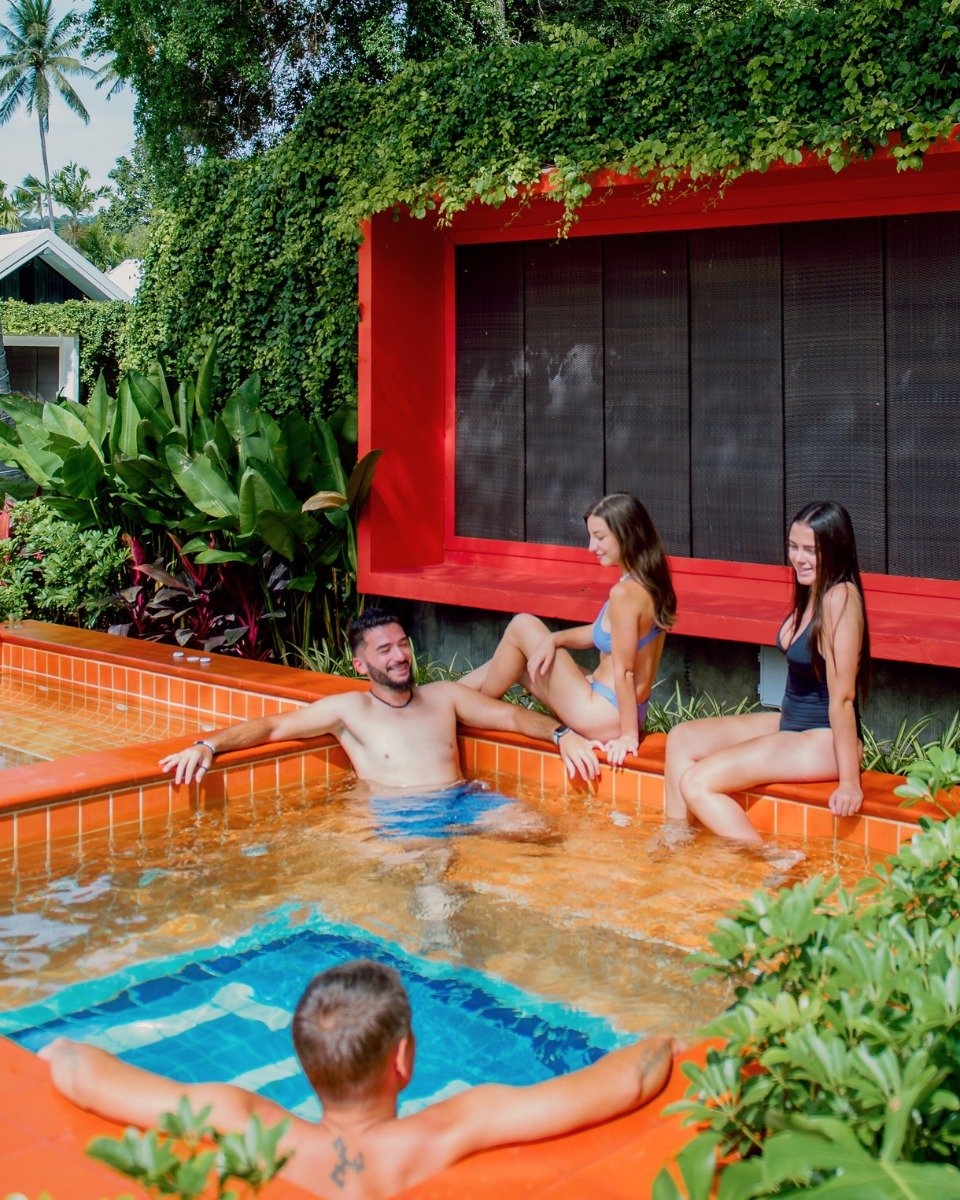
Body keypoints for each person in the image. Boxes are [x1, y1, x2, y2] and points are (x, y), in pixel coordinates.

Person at [42, 959, 677, 1199]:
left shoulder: (247, 1122)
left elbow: (84, 1075)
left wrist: (62, 1048)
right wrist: (663, 1041)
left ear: (304, 1062)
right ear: (404, 1062)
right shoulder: (454, 1126)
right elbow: (627, 1083)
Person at [159, 609, 602, 790]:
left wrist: (562, 734)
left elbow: (513, 719)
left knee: (542, 837)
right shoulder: (349, 711)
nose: (399, 656)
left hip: (464, 803)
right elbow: (273, 727)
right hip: (403, 822)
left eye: (402, 644)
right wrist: (208, 745)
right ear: (359, 664)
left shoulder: (444, 697)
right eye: (385, 650)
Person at [663, 500, 870, 845]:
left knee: (697, 782)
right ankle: (676, 841)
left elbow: (844, 698)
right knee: (681, 738)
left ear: (835, 548)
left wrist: (850, 782)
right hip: (791, 725)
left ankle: (772, 859)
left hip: (824, 739)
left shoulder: (840, 600)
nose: (798, 558)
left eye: (810, 550)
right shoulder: (813, 592)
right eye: (793, 547)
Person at [461, 494, 676, 765]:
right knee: (522, 657)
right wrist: (554, 638)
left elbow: (625, 671)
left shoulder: (624, 593)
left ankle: (469, 710)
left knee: (522, 625)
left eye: (599, 537)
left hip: (604, 713)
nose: (591, 547)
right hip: (620, 707)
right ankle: (447, 697)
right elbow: (602, 633)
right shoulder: (651, 583)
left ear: (627, 534)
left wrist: (628, 737)